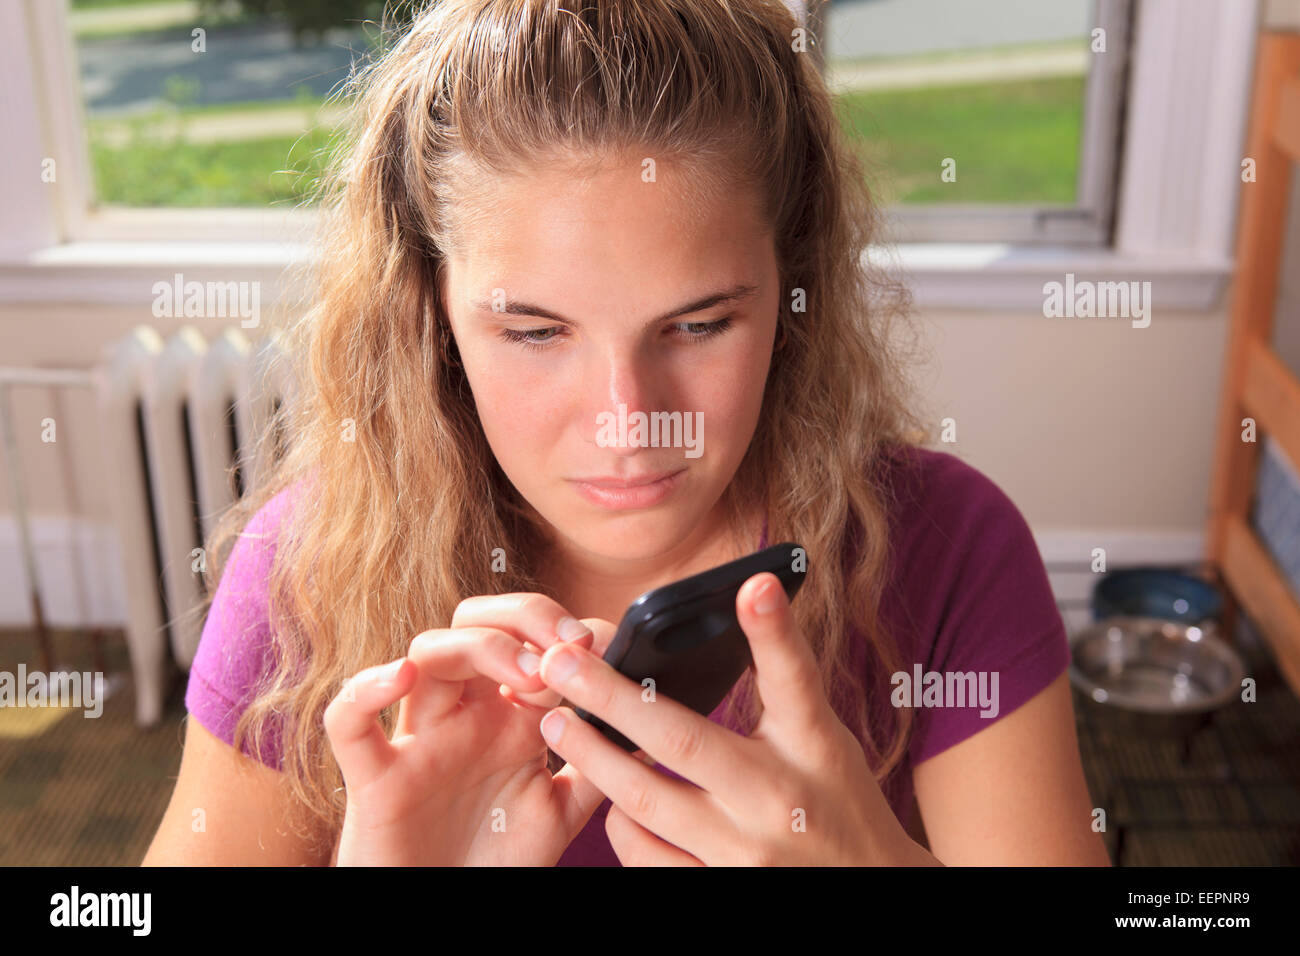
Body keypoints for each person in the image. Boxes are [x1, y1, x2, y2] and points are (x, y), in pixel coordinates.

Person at [143, 0, 1110, 866]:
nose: (628, 422)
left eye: (698, 325)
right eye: (533, 333)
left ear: (792, 291)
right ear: (430, 316)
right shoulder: (305, 571)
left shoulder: (948, 548)